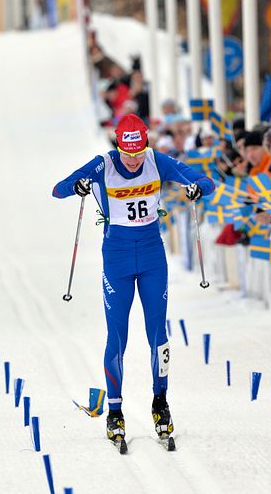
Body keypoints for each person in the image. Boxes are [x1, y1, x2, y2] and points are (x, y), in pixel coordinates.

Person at [52, 114, 215, 449]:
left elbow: (205, 182)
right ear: (117, 146)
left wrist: (197, 188)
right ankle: (115, 410)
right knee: (118, 334)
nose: (133, 160)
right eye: (128, 155)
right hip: (118, 256)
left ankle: (161, 403)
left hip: (153, 255)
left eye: (138, 153)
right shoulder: (103, 165)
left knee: (158, 331)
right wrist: (78, 186)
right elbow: (59, 189)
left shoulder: (157, 161)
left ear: (145, 144)